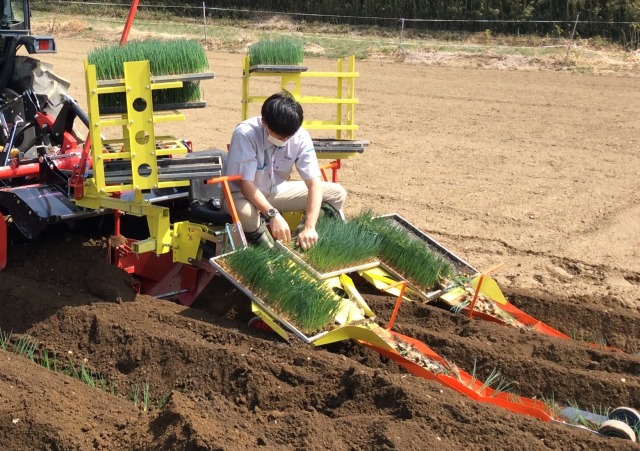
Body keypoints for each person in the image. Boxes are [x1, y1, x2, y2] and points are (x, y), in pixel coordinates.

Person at [222, 91, 346, 250]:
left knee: (337, 193)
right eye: (280, 137)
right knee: (247, 215)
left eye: (288, 137)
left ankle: (302, 244)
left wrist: (309, 226)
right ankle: (272, 255)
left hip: (276, 192)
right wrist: (273, 215)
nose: (284, 141)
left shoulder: (300, 135)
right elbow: (246, 186)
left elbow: (314, 184)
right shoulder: (245, 134)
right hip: (240, 195)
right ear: (264, 123)